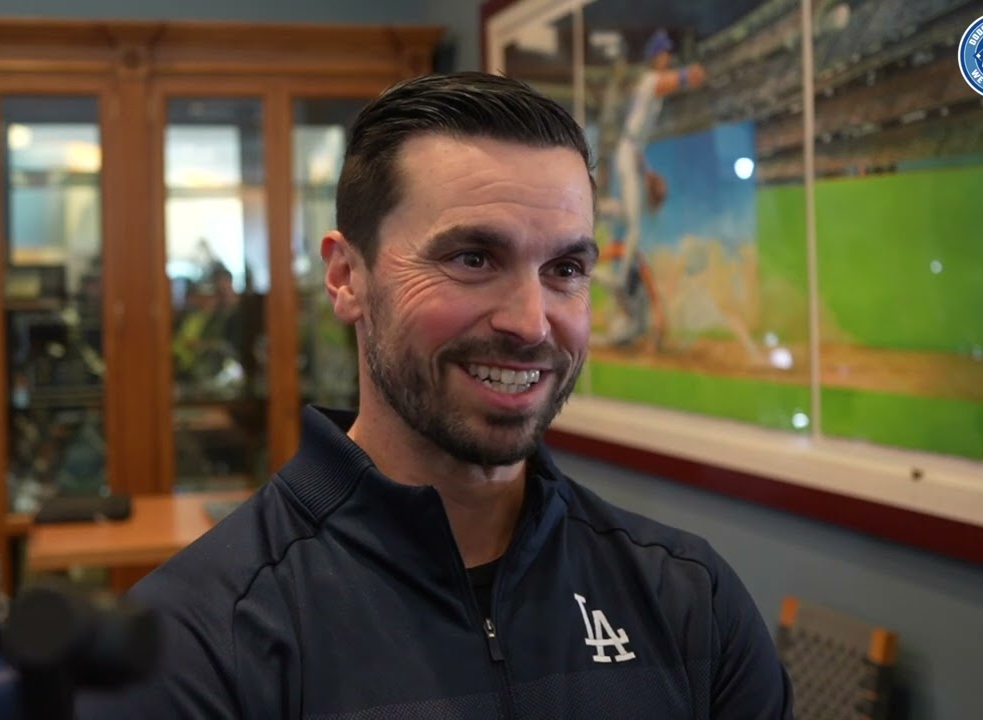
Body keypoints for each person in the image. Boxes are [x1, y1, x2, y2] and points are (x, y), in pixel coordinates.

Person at [77, 71, 792, 719]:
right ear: (346, 277)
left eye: (565, 268)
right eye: (473, 258)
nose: (531, 322)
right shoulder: (198, 643)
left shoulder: (689, 600)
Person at [602, 29, 706, 348]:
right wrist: (689, 74)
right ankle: (620, 277)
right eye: (664, 53)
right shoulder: (650, 80)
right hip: (628, 150)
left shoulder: (650, 86)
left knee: (629, 215)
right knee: (634, 223)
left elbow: (639, 137)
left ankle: (600, 208)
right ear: (655, 56)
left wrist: (647, 171)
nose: (668, 58)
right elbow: (671, 81)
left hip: (633, 153)